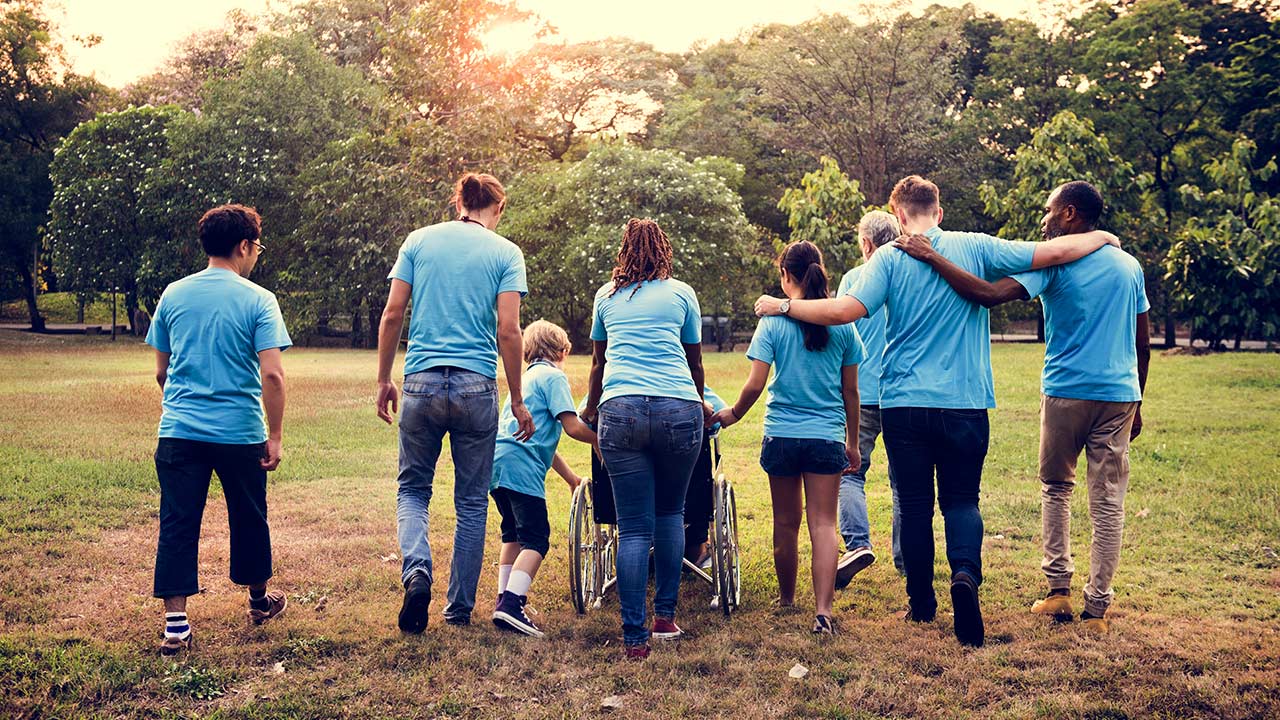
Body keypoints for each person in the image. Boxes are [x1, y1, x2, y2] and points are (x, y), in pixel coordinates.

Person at [754, 175, 1120, 647]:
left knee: (914, 504)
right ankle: (965, 576)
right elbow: (1053, 252)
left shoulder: (887, 258)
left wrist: (784, 305)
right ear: (939, 213)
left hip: (905, 404)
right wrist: (1102, 237)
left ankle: (922, 603)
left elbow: (842, 312)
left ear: (900, 217)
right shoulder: (977, 245)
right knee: (963, 501)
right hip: (966, 402)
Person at [893, 181, 1150, 635]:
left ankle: (1058, 592)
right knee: (1108, 501)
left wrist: (932, 256)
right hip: (1120, 394)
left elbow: (989, 295)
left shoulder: (1056, 265)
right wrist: (1138, 400)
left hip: (1066, 391)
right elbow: (1142, 341)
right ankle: (1097, 610)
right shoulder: (1129, 267)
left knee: (1057, 487)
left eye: (1050, 210)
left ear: (1070, 214)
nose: (1045, 218)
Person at [375, 173, 534, 634]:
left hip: (422, 382)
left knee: (412, 490)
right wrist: (518, 399)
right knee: (470, 502)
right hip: (476, 386)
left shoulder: (419, 241)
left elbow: (392, 313)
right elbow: (509, 330)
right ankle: (458, 609)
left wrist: (385, 379)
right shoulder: (506, 253)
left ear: (459, 202)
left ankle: (416, 571)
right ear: (497, 208)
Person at [145, 204, 291, 656]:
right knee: (249, 516)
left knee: (178, 521)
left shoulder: (173, 294)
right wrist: (276, 435)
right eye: (257, 248)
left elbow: (161, 372)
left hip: (179, 431)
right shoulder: (258, 300)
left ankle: (175, 625)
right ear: (244, 246)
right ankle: (258, 601)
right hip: (239, 432)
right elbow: (273, 376)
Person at [713, 240, 865, 635]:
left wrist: (733, 414)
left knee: (785, 523)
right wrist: (852, 442)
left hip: (781, 435)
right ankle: (823, 612)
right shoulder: (843, 325)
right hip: (826, 438)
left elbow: (754, 385)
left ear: (786, 276)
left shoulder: (772, 323)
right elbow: (851, 392)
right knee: (824, 525)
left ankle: (786, 599)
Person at [581, 218, 708, 661]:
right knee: (671, 513)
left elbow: (598, 364)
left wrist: (592, 407)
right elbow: (694, 363)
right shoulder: (682, 293)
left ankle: (634, 638)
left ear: (625, 251)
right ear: (664, 250)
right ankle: (665, 617)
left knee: (634, 527)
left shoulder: (606, 295)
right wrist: (701, 402)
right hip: (679, 408)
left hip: (621, 410)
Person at [490, 320, 597, 638]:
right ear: (563, 351)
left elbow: (545, 444)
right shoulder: (554, 378)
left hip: (497, 464)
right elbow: (572, 427)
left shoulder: (526, 381)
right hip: (522, 470)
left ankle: (502, 600)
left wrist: (571, 479)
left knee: (512, 535)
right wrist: (601, 442)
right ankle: (512, 604)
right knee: (536, 539)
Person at [835, 210, 903, 590]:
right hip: (900, 394)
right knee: (903, 481)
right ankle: (907, 559)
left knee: (850, 472)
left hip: (860, 392)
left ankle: (858, 543)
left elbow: (841, 335)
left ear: (866, 244)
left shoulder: (853, 280)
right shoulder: (911, 277)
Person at [683, 386, 727, 571]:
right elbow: (718, 416)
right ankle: (695, 549)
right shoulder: (685, 382)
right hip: (688, 499)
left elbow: (583, 420)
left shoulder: (613, 384)